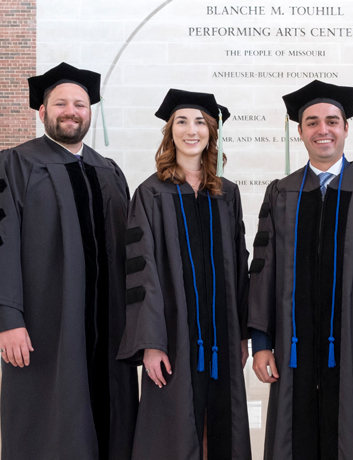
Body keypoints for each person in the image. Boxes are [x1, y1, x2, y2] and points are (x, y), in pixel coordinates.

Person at [0, 62, 137, 460]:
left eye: (79, 103)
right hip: (44, 328)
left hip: (108, 330)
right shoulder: (15, 163)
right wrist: (7, 321)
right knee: (46, 425)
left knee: (113, 421)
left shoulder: (109, 172)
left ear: (90, 112)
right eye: (60, 103)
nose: (71, 111)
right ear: (42, 112)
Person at [248, 80, 353, 460]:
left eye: (331, 121)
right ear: (300, 132)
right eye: (312, 122)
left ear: (346, 128)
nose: (322, 130)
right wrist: (261, 344)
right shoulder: (282, 192)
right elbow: (263, 269)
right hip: (295, 350)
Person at [116, 89, 252, 460]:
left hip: (222, 335)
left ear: (211, 132)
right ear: (170, 132)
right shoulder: (150, 194)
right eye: (181, 122)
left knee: (220, 424)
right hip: (172, 335)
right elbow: (141, 272)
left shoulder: (227, 194)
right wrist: (151, 343)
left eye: (199, 123)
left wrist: (241, 334)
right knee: (175, 428)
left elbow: (240, 268)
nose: (191, 130)